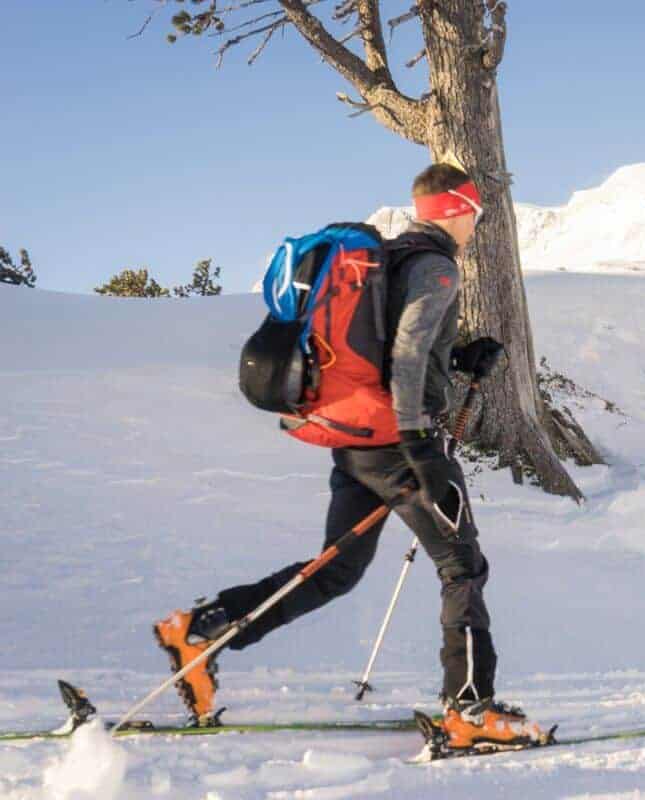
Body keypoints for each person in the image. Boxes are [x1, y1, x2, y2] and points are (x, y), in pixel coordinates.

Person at [153, 163, 543, 751]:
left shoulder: (395, 259)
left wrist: (458, 358)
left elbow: (393, 349)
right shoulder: (437, 269)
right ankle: (469, 709)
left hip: (356, 444)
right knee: (461, 567)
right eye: (475, 214)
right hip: (399, 447)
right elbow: (407, 356)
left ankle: (200, 629)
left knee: (336, 570)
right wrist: (418, 443)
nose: (475, 224)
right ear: (459, 210)